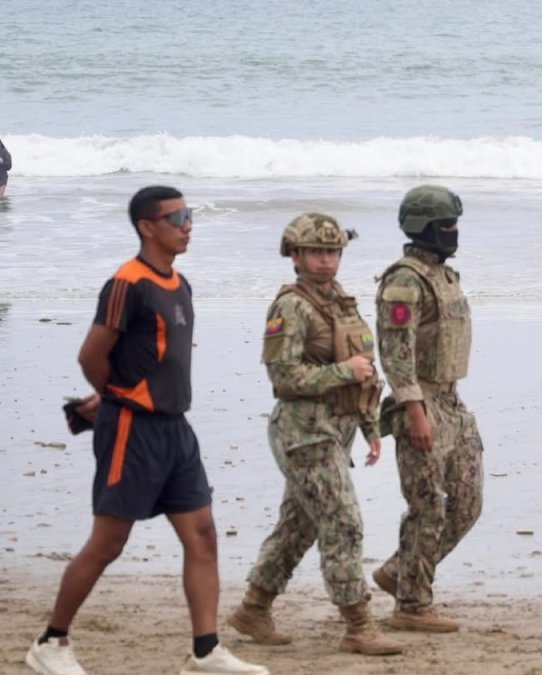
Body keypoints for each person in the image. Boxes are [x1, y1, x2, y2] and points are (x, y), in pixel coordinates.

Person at [25, 186, 267, 675]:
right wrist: (115, 397)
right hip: (132, 431)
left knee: (202, 535)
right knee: (108, 542)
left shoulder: (180, 283)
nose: (187, 224)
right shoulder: (126, 283)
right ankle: (51, 642)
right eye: (177, 216)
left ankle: (205, 651)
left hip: (177, 430)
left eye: (189, 214)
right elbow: (90, 355)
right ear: (147, 226)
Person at [226, 213, 402, 656]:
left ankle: (253, 608)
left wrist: (369, 425)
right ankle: (358, 625)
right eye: (316, 252)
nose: (326, 260)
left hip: (336, 430)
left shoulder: (341, 300)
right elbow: (284, 377)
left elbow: (362, 365)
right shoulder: (291, 306)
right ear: (295, 255)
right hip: (303, 434)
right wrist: (343, 371)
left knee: (299, 525)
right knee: (343, 522)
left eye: (333, 251)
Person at [372, 185, 483, 633]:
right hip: (421, 401)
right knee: (427, 507)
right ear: (423, 227)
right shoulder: (404, 280)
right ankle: (412, 606)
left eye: (455, 223)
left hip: (452, 400)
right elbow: (395, 356)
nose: (453, 232)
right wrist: (415, 412)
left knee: (467, 503)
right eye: (445, 225)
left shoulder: (443, 275)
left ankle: (400, 572)